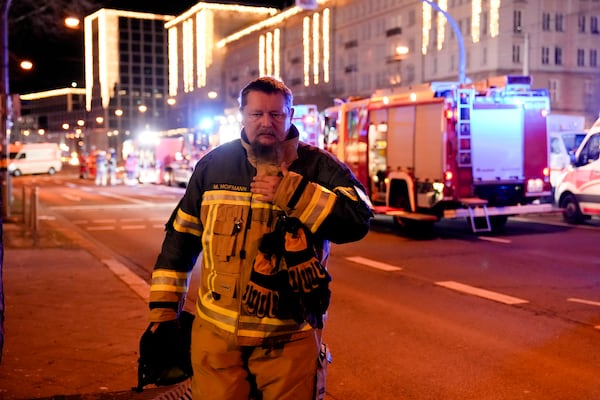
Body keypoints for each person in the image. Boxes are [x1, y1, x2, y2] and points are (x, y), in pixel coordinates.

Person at [141, 77, 373, 399]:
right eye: (256, 114)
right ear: (242, 115)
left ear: (290, 115)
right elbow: (181, 240)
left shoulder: (320, 167)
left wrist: (293, 193)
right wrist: (164, 313)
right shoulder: (213, 166)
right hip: (217, 340)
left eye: (277, 115)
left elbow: (358, 219)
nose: (267, 122)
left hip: (289, 340)